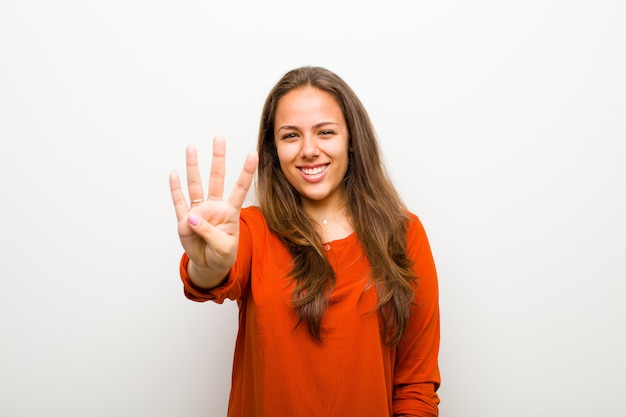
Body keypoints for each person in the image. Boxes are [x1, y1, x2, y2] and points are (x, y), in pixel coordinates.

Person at [169, 66, 440, 417]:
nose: (309, 150)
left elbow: (415, 385)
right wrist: (207, 267)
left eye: (325, 132)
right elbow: (211, 279)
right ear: (274, 149)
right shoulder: (251, 229)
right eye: (290, 136)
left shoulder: (404, 235)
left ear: (352, 139)